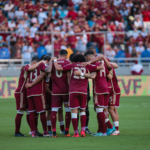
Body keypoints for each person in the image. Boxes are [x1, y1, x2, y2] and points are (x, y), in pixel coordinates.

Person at [54, 54, 103, 137]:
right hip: (83, 91)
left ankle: (76, 132)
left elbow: (58, 68)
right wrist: (102, 61)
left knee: (74, 112)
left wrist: (55, 60)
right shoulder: (87, 65)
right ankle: (83, 131)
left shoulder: (72, 65)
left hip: (73, 91)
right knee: (83, 111)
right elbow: (101, 67)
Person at [83, 51, 115, 136]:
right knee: (103, 109)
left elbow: (92, 76)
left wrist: (81, 74)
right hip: (106, 88)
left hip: (99, 89)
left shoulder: (92, 65)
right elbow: (109, 76)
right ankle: (101, 130)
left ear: (89, 58)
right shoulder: (102, 64)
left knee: (99, 110)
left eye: (86, 58)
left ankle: (104, 131)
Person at [14, 56, 44, 137]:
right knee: (20, 112)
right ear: (34, 63)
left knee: (29, 112)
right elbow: (29, 68)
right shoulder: (28, 67)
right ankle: (17, 132)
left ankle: (33, 130)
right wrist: (40, 63)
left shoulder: (28, 67)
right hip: (21, 92)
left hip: (27, 92)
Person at [25, 56, 51, 137]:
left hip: (29, 92)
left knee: (32, 112)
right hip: (39, 92)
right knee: (42, 112)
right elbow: (48, 70)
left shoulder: (27, 66)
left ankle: (33, 132)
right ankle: (45, 132)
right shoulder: (41, 65)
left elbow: (28, 70)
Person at [50, 50, 71, 137]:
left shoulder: (53, 63)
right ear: (66, 56)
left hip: (55, 91)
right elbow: (69, 78)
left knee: (54, 111)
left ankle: (54, 132)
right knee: (67, 111)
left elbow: (49, 74)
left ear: (58, 55)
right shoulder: (68, 62)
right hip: (65, 90)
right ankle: (66, 132)